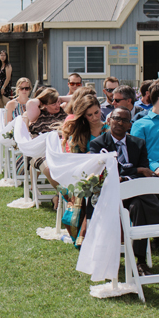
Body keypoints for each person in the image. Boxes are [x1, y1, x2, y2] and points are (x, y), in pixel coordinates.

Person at [90, 107, 159, 269]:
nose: (120, 123)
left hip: (134, 194)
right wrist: (136, 170)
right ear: (109, 120)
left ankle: (139, 260)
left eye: (125, 120)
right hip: (110, 194)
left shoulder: (138, 144)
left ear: (129, 125)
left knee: (139, 205)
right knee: (142, 196)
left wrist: (131, 173)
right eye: (116, 118)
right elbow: (104, 173)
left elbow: (146, 171)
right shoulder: (98, 144)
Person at [58, 93, 107, 244]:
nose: (94, 117)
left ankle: (92, 236)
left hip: (107, 174)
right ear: (83, 116)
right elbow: (74, 160)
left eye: (96, 113)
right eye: (89, 115)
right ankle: (86, 235)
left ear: (100, 109)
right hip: (84, 176)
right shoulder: (79, 134)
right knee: (88, 191)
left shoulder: (109, 130)